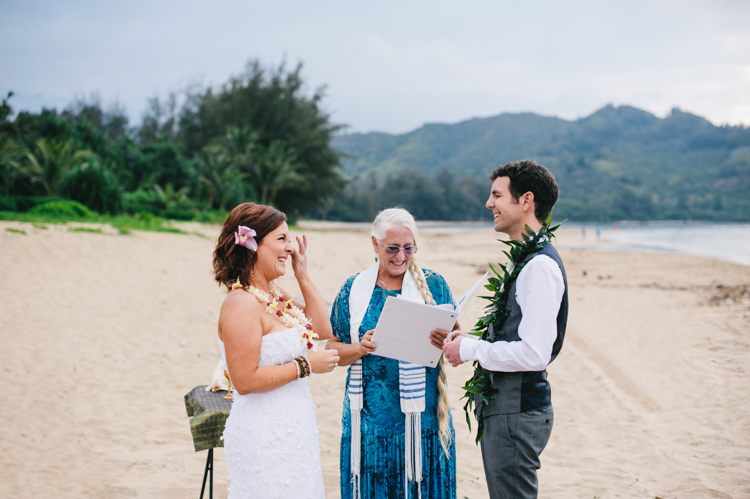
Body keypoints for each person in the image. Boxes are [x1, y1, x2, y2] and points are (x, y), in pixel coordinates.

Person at [441, 160, 569, 499]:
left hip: (517, 412)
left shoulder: (539, 267)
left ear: (525, 201)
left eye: (497, 195)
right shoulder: (527, 259)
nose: (489, 203)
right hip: (509, 410)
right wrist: (471, 340)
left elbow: (535, 352)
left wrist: (470, 350)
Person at [327, 208, 457, 499]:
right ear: (374, 244)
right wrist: (359, 348)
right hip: (368, 425)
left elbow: (457, 343)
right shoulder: (352, 289)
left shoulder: (434, 285)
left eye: (408, 248)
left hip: (422, 421)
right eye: (392, 248)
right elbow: (332, 348)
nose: (400, 256)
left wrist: (447, 341)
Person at [213, 202, 340, 499]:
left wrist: (303, 276)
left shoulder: (274, 296)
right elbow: (244, 381)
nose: (290, 247)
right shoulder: (240, 304)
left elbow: (323, 329)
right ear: (253, 246)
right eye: (281, 239)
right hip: (264, 435)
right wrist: (306, 366)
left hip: (295, 426)